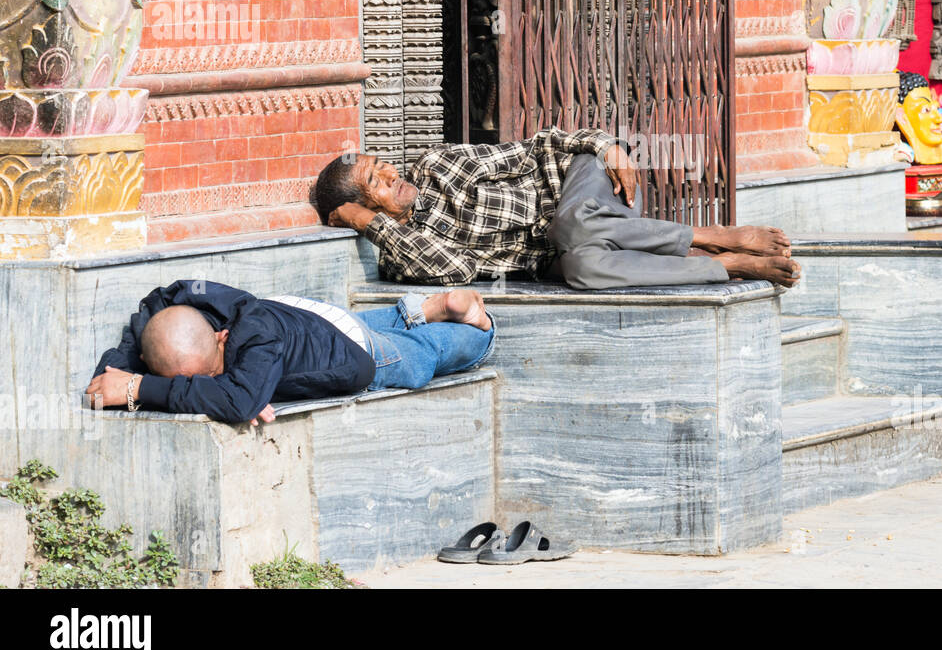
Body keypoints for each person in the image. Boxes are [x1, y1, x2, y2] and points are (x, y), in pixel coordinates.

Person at [314, 127, 801, 290]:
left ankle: (706, 235)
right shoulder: (404, 252)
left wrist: (603, 144)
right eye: (376, 183)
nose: (393, 175)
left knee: (571, 225)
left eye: (384, 165)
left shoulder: (438, 165)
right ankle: (721, 264)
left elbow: (534, 148)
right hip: (558, 248)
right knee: (583, 267)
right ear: (363, 209)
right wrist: (371, 225)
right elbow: (459, 270)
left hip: (576, 185)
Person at [84, 280, 494, 426]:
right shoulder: (178, 306)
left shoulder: (256, 341)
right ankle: (421, 309)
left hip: (356, 356)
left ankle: (480, 325)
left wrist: (139, 388)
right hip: (313, 319)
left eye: (212, 373)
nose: (207, 385)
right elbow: (133, 343)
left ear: (223, 337)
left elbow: (239, 400)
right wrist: (114, 374)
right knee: (359, 324)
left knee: (420, 357)